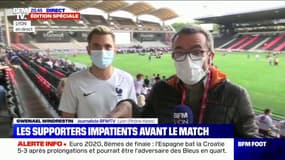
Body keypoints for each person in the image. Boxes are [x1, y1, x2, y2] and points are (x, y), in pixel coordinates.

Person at [110, 25, 258, 138]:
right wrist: (131, 108)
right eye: (180, 52)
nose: (187, 59)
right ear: (174, 56)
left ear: (210, 57)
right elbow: (148, 123)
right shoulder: (161, 89)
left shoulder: (235, 95)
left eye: (196, 52)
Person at [58, 25, 137, 118]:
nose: (102, 51)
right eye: (96, 46)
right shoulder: (74, 80)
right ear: (88, 50)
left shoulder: (126, 79)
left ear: (115, 50)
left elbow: (131, 114)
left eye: (108, 46)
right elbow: (68, 120)